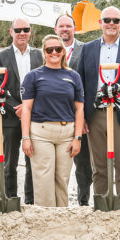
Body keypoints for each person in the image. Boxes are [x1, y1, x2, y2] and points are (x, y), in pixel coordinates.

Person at [74, 7, 120, 204]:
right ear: (100, 23)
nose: (111, 24)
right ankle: (102, 205)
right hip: (95, 114)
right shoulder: (88, 49)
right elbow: (79, 83)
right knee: (99, 166)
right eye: (107, 20)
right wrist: (81, 118)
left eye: (115, 20)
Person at [21, 35, 85, 207]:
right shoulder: (33, 76)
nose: (54, 52)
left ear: (63, 52)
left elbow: (79, 109)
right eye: (50, 50)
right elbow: (26, 109)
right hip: (41, 133)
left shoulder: (73, 76)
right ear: (44, 52)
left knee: (62, 179)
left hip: (66, 133)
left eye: (58, 49)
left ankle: (62, 219)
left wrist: (78, 138)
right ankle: (45, 221)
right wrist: (25, 137)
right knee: (44, 179)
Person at [0, 18, 43, 204]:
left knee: (32, 162)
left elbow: (43, 84)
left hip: (35, 117)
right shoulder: (1, 56)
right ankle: (10, 199)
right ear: (10, 31)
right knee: (9, 163)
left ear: (30, 32)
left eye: (26, 29)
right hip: (11, 117)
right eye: (18, 29)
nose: (22, 33)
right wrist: (18, 108)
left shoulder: (39, 55)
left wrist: (30, 107)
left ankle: (30, 201)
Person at [55, 14, 92, 205]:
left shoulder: (86, 49)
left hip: (79, 115)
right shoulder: (48, 50)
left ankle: (83, 201)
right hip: (55, 115)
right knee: (58, 163)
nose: (65, 29)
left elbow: (89, 84)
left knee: (83, 163)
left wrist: (84, 116)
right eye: (61, 26)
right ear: (56, 29)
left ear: (74, 29)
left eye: (68, 26)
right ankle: (58, 202)